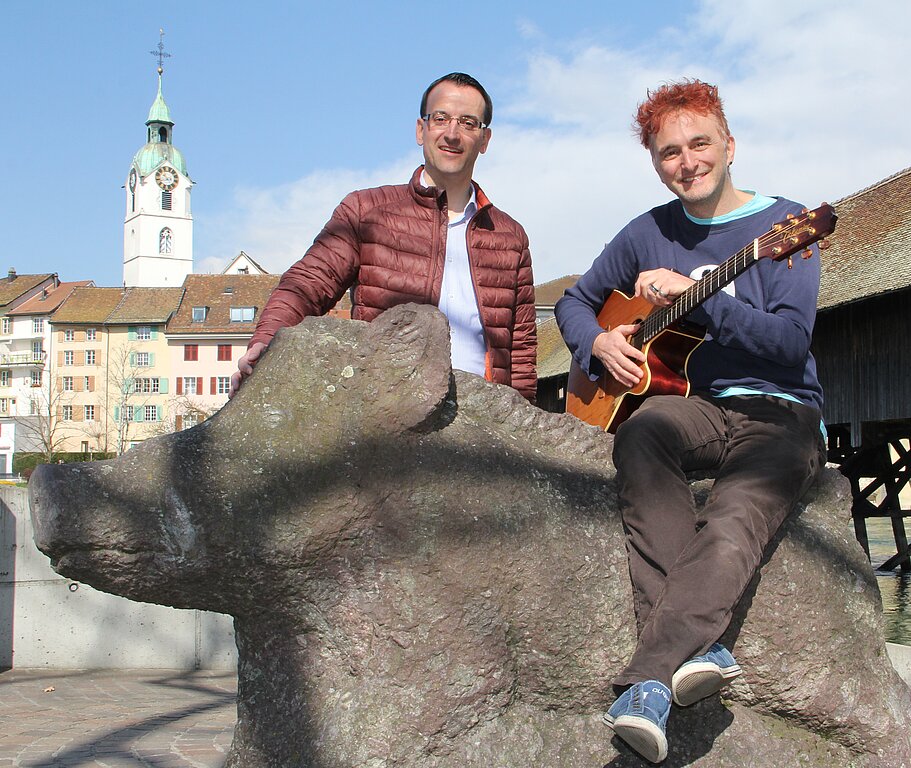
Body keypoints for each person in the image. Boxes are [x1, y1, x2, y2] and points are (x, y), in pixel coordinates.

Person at [555, 79, 827, 763]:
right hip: (695, 407)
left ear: (728, 145)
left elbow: (788, 344)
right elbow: (575, 303)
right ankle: (699, 646)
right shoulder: (647, 231)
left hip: (781, 411)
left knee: (733, 519)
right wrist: (596, 343)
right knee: (641, 432)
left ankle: (646, 681)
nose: (686, 161)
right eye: (668, 152)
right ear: (656, 162)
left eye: (698, 143)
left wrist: (699, 298)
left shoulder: (785, 226)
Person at [230, 72, 536, 402]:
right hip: (387, 416)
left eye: (467, 123)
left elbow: (520, 360)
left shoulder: (509, 238)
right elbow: (306, 285)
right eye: (441, 118)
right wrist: (265, 343)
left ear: (484, 139)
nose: (452, 133)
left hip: (483, 426)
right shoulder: (367, 212)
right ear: (421, 130)